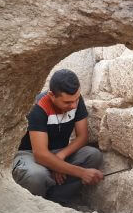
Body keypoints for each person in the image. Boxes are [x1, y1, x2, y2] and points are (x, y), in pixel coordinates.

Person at [11, 69, 103, 205]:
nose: (73, 106)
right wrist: (82, 172)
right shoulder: (38, 107)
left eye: (76, 100)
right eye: (67, 103)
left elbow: (82, 137)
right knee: (36, 176)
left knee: (93, 155)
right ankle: (38, 206)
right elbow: (41, 155)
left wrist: (61, 156)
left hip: (59, 151)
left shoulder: (75, 101)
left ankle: (58, 200)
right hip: (30, 154)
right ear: (51, 95)